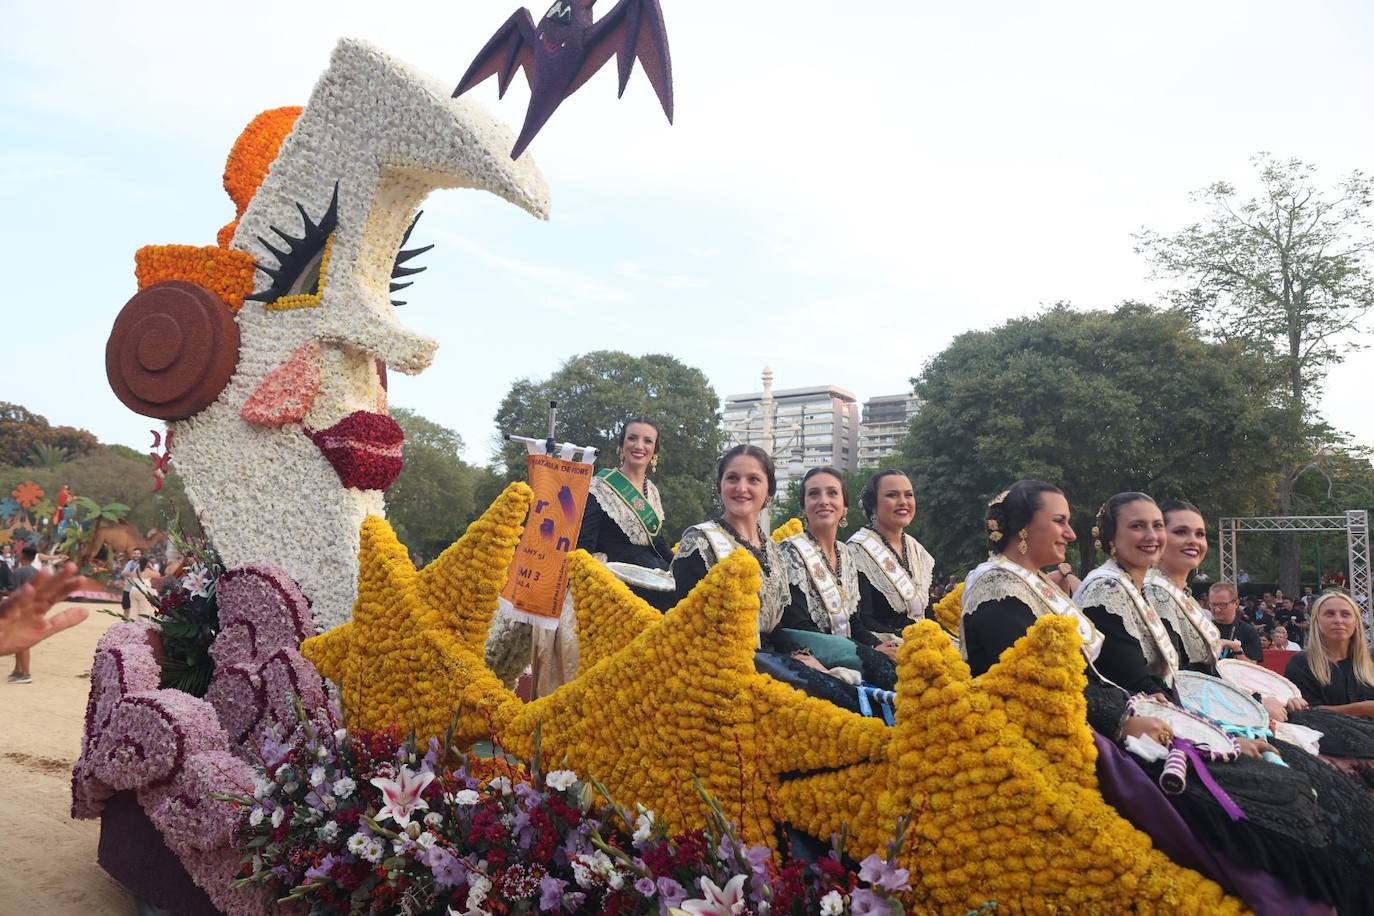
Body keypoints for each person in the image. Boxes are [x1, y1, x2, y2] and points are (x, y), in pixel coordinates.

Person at [963, 482, 1366, 912]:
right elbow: (1040, 683)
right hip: (1068, 729)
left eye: (1159, 526)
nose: (1070, 532)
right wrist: (1134, 721)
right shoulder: (998, 585)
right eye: (1059, 521)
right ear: (1024, 527)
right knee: (1275, 790)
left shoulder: (1033, 583)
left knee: (1296, 774)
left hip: (1112, 712)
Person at [672, 446, 859, 711]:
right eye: (732, 478)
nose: (742, 488)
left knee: (849, 691)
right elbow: (689, 629)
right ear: (720, 486)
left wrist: (802, 656)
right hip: (723, 668)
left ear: (768, 492)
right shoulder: (700, 542)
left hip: (773, 656)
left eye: (753, 480)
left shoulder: (772, 549)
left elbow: (780, 624)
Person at [773, 467, 898, 689]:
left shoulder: (846, 554)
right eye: (814, 494)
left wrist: (876, 646)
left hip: (853, 652)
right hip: (813, 659)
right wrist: (867, 653)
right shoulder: (790, 553)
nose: (823, 501)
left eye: (832, 493)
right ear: (803, 507)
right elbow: (799, 625)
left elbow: (854, 621)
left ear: (844, 506)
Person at [576, 417, 673, 609]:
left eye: (647, 441)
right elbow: (584, 543)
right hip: (616, 577)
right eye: (632, 438)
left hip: (651, 571)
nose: (639, 446)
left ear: (654, 451)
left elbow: (656, 539)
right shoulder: (599, 487)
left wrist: (678, 566)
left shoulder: (651, 490)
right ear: (622, 445)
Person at [848, 470, 935, 641]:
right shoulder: (857, 551)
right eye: (892, 495)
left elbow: (925, 609)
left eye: (908, 495)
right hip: (886, 644)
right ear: (873, 504)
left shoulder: (916, 548)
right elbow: (863, 619)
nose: (903, 502)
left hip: (924, 639)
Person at [1285, 592, 1374, 718]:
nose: (1338, 620)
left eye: (1346, 614)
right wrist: (1362, 709)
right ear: (1317, 621)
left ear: (1356, 622)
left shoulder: (1371, 659)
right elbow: (1305, 712)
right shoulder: (1302, 664)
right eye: (1330, 614)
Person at [0, 561, 90, 656]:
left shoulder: (17, 570)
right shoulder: (31, 570)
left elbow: (11, 586)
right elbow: (10, 585)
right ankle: (23, 670)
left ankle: (21, 669)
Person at [8, 546, 43, 683]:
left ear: (23, 556)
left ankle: (26, 673)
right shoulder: (37, 572)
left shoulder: (18, 572)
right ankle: (18, 670)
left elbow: (14, 594)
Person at [1208, 583, 1263, 663]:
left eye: (1222, 605)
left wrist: (1236, 649)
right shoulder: (1203, 628)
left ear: (1236, 603)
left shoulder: (1248, 631)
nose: (1217, 609)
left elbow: (1252, 667)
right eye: (1213, 604)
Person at [120, 547, 144, 621]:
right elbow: (123, 573)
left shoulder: (143, 564)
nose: (136, 555)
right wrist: (133, 574)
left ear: (141, 555)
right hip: (127, 588)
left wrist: (130, 574)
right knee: (126, 606)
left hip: (138, 589)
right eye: (134, 553)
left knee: (137, 607)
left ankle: (137, 623)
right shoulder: (130, 562)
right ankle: (125, 622)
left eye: (138, 554)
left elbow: (141, 575)